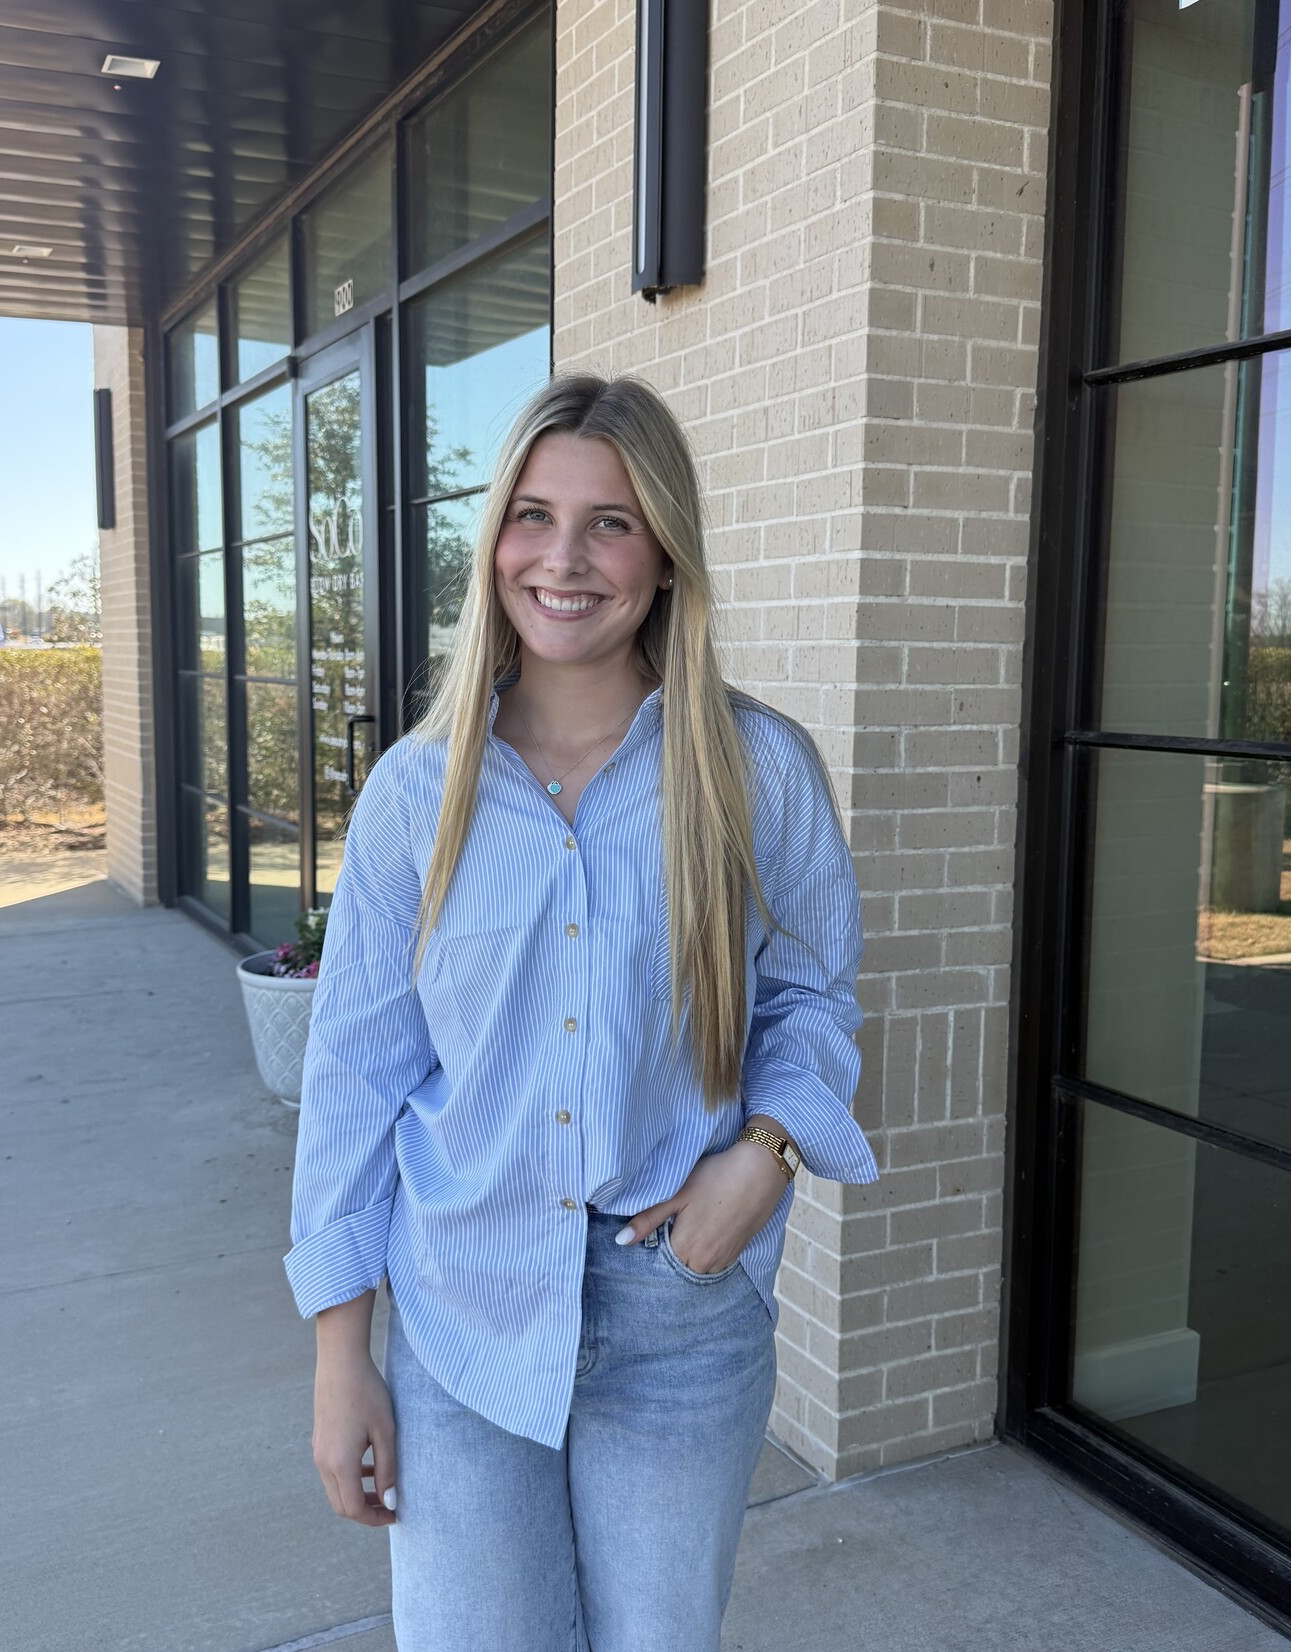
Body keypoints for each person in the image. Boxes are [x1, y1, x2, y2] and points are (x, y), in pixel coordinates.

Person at [283, 372, 880, 1651]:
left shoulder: (756, 770)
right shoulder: (414, 794)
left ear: (664, 553)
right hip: (462, 1314)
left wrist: (764, 1155)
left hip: (680, 1316)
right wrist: (341, 1356)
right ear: (493, 539)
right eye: (532, 515)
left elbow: (810, 995)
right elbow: (355, 1076)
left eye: (609, 522)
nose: (562, 558)